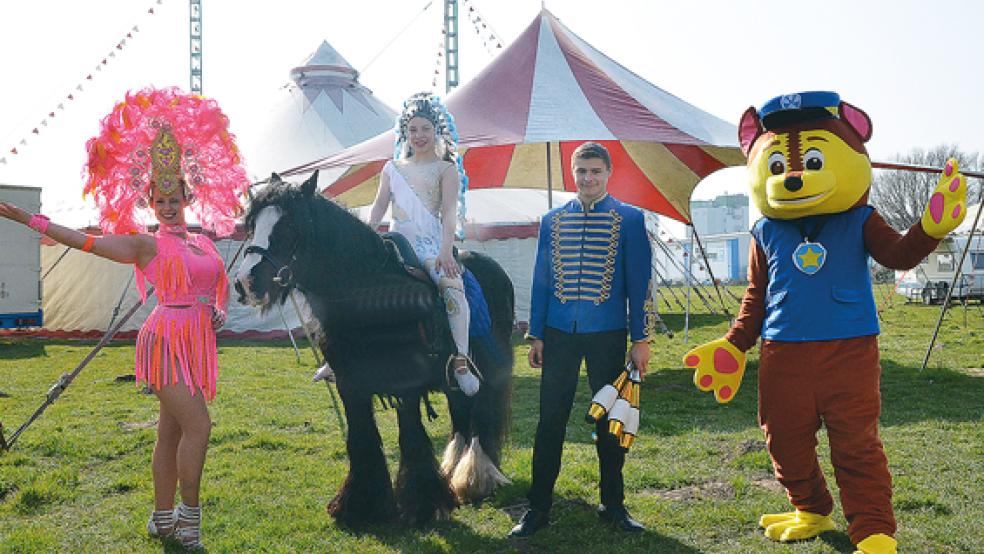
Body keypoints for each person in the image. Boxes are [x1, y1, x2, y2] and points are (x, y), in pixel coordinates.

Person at [0, 87, 247, 549]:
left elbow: (216, 286)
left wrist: (216, 310)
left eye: (175, 198)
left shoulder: (203, 243)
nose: (169, 206)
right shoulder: (144, 244)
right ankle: (188, 520)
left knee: (172, 429)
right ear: (151, 201)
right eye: (161, 200)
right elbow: (86, 242)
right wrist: (33, 222)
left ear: (186, 197)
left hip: (196, 341)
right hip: (165, 342)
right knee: (200, 426)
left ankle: (160, 518)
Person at [509, 142, 653, 538]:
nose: (588, 179)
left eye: (595, 171)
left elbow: (639, 286)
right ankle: (538, 509)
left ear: (608, 173)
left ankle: (614, 504)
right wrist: (536, 334)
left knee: (611, 420)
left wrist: (640, 339)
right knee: (549, 422)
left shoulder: (629, 219)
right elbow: (541, 281)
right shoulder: (552, 220)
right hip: (558, 336)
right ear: (573, 174)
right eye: (582, 171)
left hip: (608, 335)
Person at [367, 92, 480, 396]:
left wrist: (445, 251)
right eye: (413, 129)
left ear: (437, 131)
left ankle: (461, 360)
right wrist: (366, 238)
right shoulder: (392, 168)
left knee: (453, 287)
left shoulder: (446, 169)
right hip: (395, 244)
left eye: (425, 129)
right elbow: (378, 208)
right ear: (405, 131)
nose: (419, 136)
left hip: (431, 246)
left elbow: (448, 213)